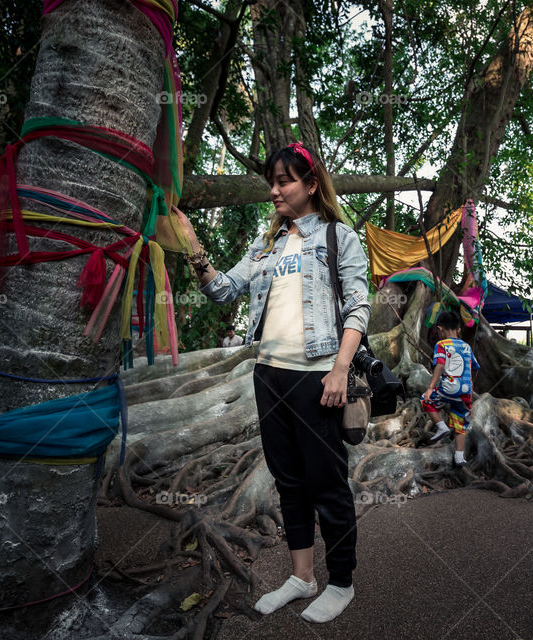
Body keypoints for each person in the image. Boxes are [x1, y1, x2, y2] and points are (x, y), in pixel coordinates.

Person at [176, 142, 370, 623]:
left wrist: (340, 368)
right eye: (272, 181)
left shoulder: (336, 236)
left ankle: (341, 583)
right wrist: (191, 246)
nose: (274, 189)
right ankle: (302, 577)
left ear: (310, 184)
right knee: (289, 482)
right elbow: (223, 290)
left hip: (318, 377)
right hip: (269, 376)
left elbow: (359, 307)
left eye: (284, 180)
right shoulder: (266, 246)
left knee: (328, 486)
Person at [422, 310, 480, 467]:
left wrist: (430, 387)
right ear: (459, 330)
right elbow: (475, 366)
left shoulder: (441, 345)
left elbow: (440, 364)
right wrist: (468, 382)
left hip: (449, 389)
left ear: (440, 329)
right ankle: (459, 458)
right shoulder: (467, 346)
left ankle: (441, 427)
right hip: (466, 392)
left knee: (425, 400)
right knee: (460, 422)